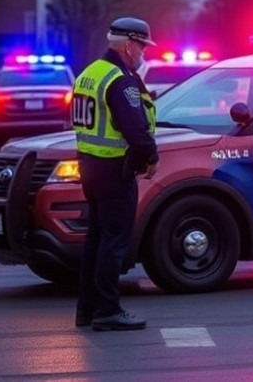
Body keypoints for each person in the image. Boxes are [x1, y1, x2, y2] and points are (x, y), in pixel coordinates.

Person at [72, 17, 159, 331]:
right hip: (114, 169)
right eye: (141, 46)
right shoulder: (120, 79)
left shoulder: (89, 73)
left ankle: (88, 310)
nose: (143, 52)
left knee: (96, 240)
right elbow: (135, 128)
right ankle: (108, 310)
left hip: (90, 167)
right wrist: (150, 156)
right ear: (127, 44)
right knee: (113, 242)